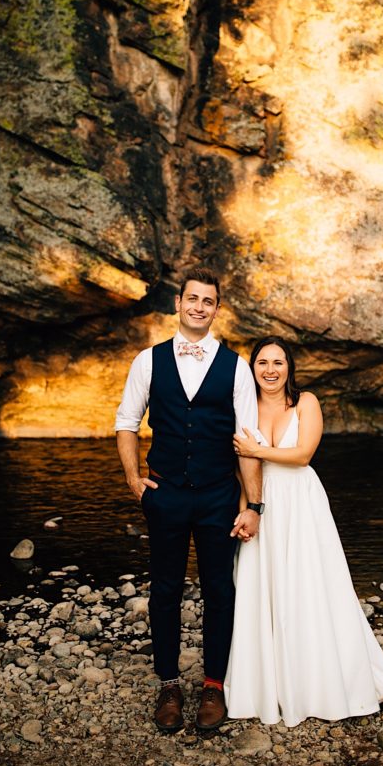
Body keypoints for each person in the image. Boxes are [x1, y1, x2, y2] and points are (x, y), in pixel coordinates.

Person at [225, 336, 383, 727]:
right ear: (252, 369)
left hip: (301, 502)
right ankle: (268, 686)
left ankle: (322, 683)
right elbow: (241, 470)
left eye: (278, 362)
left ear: (289, 367)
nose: (270, 370)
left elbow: (303, 454)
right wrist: (245, 512)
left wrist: (256, 451)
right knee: (263, 589)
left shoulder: (305, 402)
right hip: (260, 502)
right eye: (262, 363)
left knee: (309, 586)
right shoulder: (243, 407)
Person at [115, 267, 263, 733]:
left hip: (220, 495)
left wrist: (252, 505)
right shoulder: (148, 360)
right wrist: (134, 478)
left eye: (208, 301)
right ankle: (168, 684)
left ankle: (214, 686)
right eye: (192, 298)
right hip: (167, 495)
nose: (200, 307)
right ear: (178, 304)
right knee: (165, 590)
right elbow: (126, 422)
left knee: (221, 590)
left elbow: (248, 440)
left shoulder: (237, 366)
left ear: (217, 310)